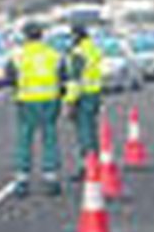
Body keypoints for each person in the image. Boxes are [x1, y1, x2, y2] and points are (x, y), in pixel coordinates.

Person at [7, 23, 64, 197]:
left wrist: (18, 90)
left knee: (24, 139)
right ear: (42, 35)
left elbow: (10, 77)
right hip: (50, 100)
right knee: (50, 137)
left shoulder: (17, 56)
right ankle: (51, 179)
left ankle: (22, 180)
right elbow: (63, 77)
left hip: (26, 101)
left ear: (25, 36)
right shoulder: (54, 55)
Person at [63, 23, 105, 176]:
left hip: (82, 96)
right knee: (92, 130)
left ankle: (88, 166)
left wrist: (70, 101)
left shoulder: (78, 53)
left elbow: (75, 79)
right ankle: (96, 161)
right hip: (94, 93)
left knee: (84, 132)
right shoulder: (93, 49)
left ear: (76, 36)